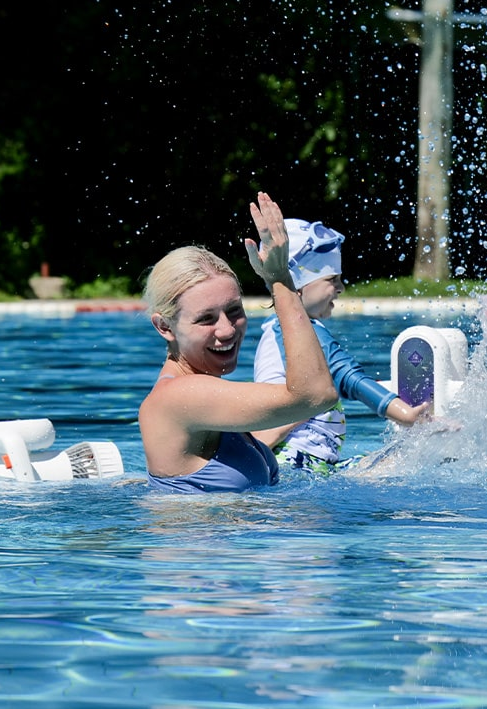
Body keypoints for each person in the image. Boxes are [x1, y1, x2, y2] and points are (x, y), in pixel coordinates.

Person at [138, 192, 339, 493]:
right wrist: (280, 279)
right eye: (206, 319)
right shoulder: (180, 395)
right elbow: (316, 394)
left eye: (234, 311)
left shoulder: (206, 395)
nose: (227, 330)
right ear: (164, 327)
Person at [252, 218, 431, 476]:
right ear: (298, 285)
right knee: (405, 462)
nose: (341, 288)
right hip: (297, 461)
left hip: (309, 461)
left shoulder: (278, 329)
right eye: (332, 279)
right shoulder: (298, 331)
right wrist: (405, 415)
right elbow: (347, 376)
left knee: (388, 462)